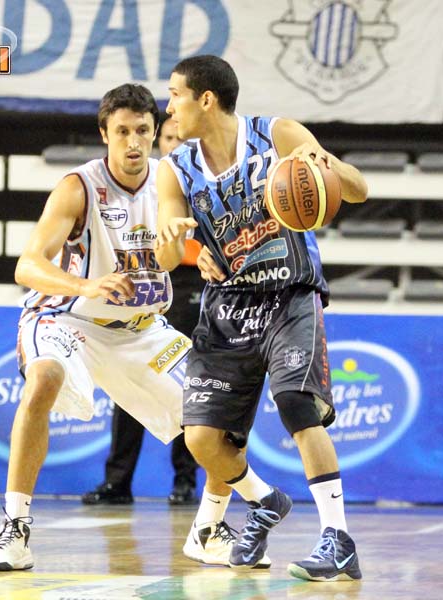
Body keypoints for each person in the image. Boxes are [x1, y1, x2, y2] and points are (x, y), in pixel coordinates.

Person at [0, 84, 252, 571]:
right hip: (67, 317)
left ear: (155, 133)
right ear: (105, 134)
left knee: (221, 412)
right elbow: (27, 266)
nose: (133, 141)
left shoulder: (173, 183)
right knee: (43, 379)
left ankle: (208, 530)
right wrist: (85, 285)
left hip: (140, 329)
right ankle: (14, 530)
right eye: (122, 131)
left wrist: (209, 255)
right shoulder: (78, 186)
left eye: (142, 130)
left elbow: (188, 246)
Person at [154, 55, 369, 582]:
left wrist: (325, 164)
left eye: (175, 94)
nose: (169, 107)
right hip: (227, 306)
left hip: (289, 292)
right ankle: (265, 501)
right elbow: (165, 256)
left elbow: (358, 189)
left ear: (206, 99)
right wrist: (173, 238)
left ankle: (338, 540)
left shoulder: (276, 135)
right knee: (202, 439)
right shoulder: (174, 168)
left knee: (297, 405)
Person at [81, 117, 200, 507]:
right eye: (168, 137)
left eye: (181, 138)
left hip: (190, 283)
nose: (174, 144)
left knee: (186, 382)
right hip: (140, 282)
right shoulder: (142, 183)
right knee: (127, 381)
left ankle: (185, 480)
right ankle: (118, 481)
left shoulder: (199, 182)